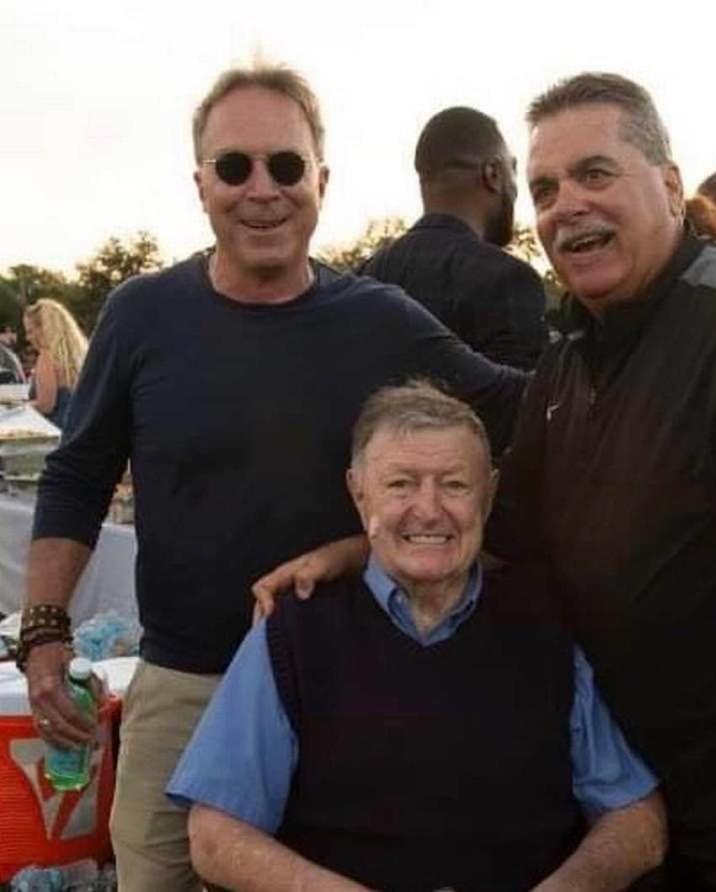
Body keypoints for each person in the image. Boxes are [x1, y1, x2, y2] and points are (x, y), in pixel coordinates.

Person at [257, 73, 716, 892]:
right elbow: (504, 528)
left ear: (671, 186)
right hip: (634, 795)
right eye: (544, 188)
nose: (564, 205)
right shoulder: (571, 359)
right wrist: (350, 550)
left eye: (594, 173)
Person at [20, 62, 526, 892]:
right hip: (183, 683)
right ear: (201, 184)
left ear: (321, 180)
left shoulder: (379, 320)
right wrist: (44, 631)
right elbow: (77, 476)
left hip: (343, 687)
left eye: (286, 166)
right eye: (235, 167)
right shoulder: (143, 314)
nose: (263, 190)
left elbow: (523, 416)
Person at [168, 382, 665, 891]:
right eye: (401, 485)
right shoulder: (294, 632)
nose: (428, 510)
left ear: (489, 496)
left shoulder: (544, 625)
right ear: (359, 494)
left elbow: (637, 820)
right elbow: (215, 836)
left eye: (454, 485)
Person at [359, 106, 548, 369]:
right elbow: (526, 404)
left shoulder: (365, 276)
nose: (517, 189)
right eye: (513, 169)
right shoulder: (509, 280)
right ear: (492, 174)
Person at [22, 299, 88, 427]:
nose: (27, 337)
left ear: (45, 329)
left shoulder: (47, 357)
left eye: (30, 331)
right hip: (77, 428)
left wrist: (17, 408)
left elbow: (45, 405)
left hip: (55, 432)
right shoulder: (79, 355)